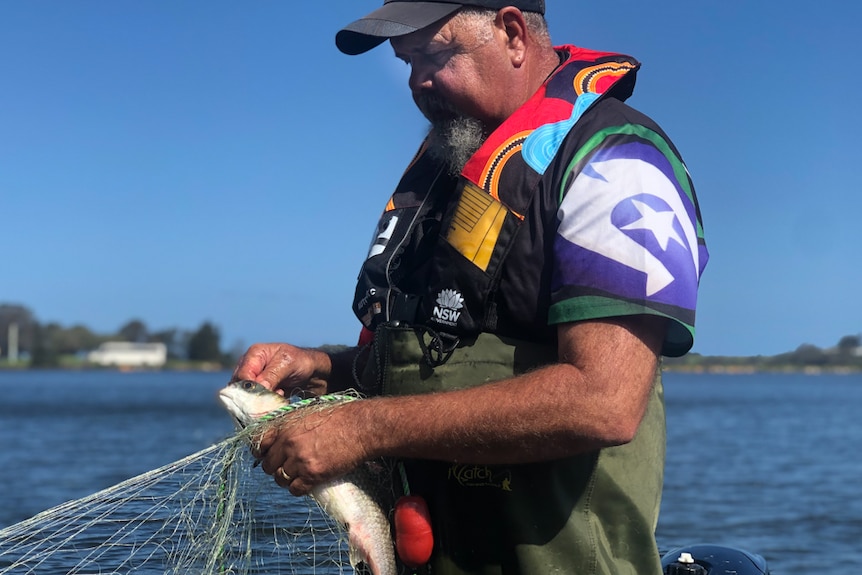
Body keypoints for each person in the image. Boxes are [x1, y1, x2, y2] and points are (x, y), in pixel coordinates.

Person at [232, 1, 709, 573]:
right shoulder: (453, 173)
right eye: (406, 62)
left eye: (434, 54)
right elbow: (439, 359)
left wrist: (362, 428)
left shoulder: (619, 163)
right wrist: (323, 367)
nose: (417, 81)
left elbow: (603, 401)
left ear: (511, 33)